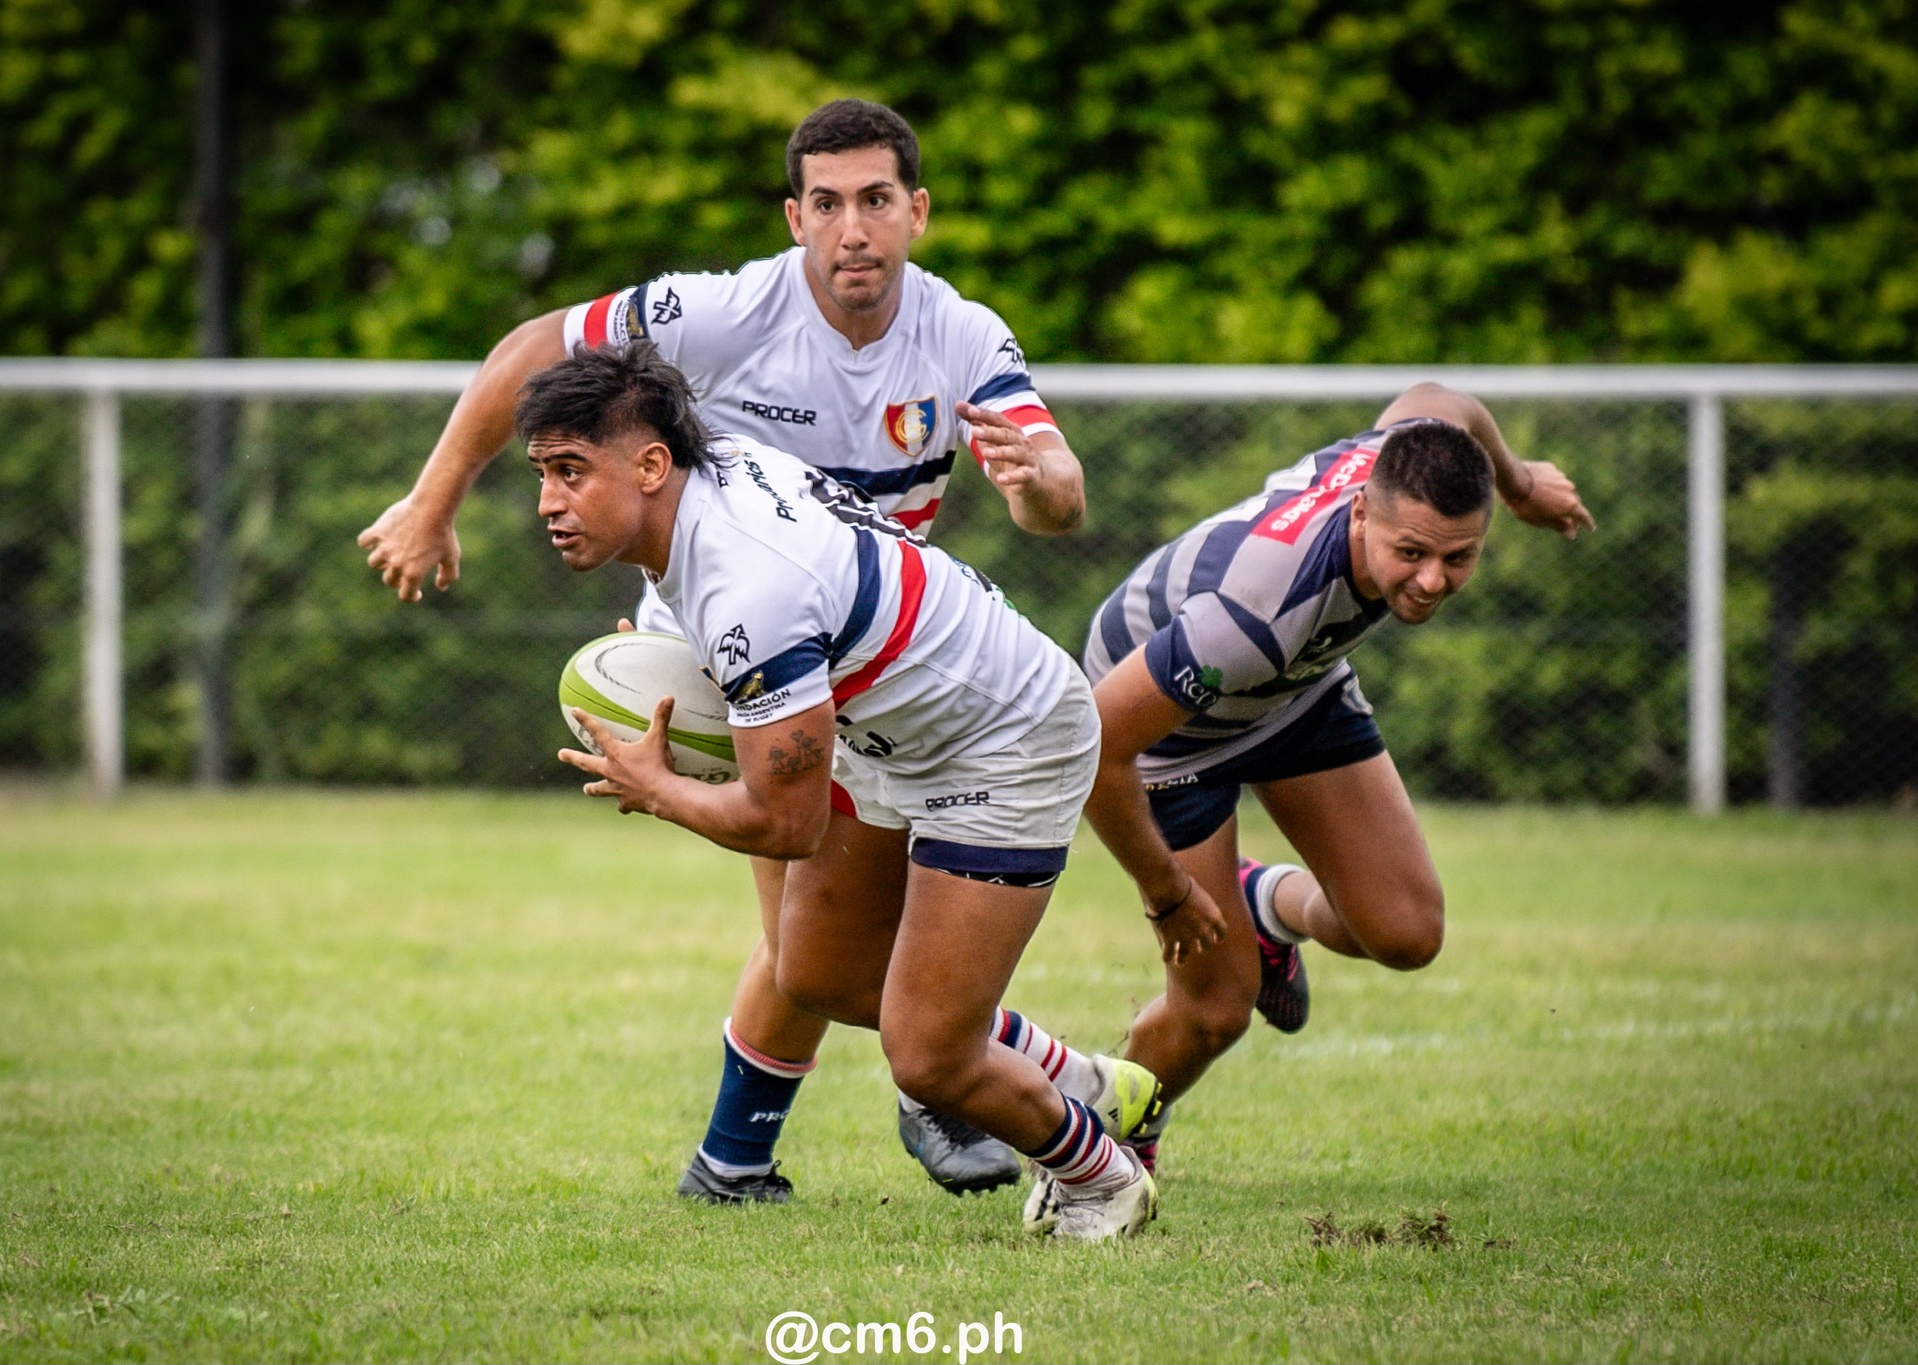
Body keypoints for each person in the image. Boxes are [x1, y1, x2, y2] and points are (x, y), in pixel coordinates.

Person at [357, 99, 1084, 1201]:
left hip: (866, 659)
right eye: (827, 204)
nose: (853, 230)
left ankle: (800, 1133)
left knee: (819, 951)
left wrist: (1042, 489)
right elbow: (528, 352)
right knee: (808, 935)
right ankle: (916, 1089)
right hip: (731, 649)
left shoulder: (962, 337)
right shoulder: (723, 313)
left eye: (876, 201)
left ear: (916, 213)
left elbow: (1054, 486)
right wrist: (430, 501)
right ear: (794, 217)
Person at [524, 341, 1159, 1241]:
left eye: (570, 471)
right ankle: (1088, 1081)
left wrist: (656, 786)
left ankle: (1100, 1175)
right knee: (815, 971)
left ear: (652, 463)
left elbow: (785, 821)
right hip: (888, 723)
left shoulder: (750, 585)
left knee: (929, 1053)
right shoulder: (706, 484)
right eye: (542, 472)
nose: (549, 501)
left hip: (1003, 737)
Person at [1024, 383, 1593, 1228]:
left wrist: (1513, 481)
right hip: (1167, 729)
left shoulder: (1401, 458)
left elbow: (1444, 399)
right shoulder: (1255, 612)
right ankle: (1099, 1149)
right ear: (1362, 513)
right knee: (1216, 1007)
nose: (1433, 580)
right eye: (1412, 553)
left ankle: (1265, 904)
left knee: (1404, 932)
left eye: (1460, 556)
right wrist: (1168, 891)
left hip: (1293, 687)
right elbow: (1099, 744)